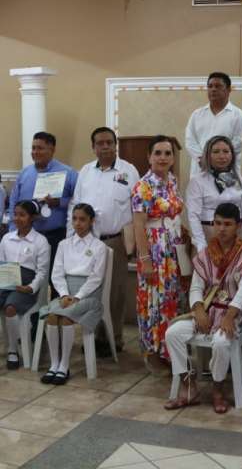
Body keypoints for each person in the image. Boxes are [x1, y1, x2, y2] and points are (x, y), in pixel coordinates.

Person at [163, 203, 242, 412]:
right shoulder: (207, 252)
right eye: (217, 223)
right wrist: (198, 311)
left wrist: (229, 316)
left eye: (227, 224)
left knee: (222, 342)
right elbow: (196, 287)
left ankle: (218, 388)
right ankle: (189, 386)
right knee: (172, 333)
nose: (221, 228)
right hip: (206, 310)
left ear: (239, 226)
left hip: (234, 313)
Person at [70, 127, 139, 354]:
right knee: (91, 290)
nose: (105, 146)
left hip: (115, 240)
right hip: (89, 240)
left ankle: (113, 339)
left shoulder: (129, 171)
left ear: (115, 144)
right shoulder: (86, 172)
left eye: (109, 142)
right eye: (100, 143)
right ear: (94, 147)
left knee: (115, 291)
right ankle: (93, 336)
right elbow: (76, 203)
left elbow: (137, 207)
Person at [132, 136, 186, 368]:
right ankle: (153, 352)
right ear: (149, 157)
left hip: (173, 248)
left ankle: (169, 349)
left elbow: (173, 214)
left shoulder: (172, 181)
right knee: (154, 301)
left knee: (170, 299)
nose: (163, 158)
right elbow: (138, 225)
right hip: (154, 250)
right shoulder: (143, 186)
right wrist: (145, 260)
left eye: (167, 153)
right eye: (158, 153)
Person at [38, 204, 106, 385]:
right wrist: (64, 294)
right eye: (74, 219)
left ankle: (64, 366)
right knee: (53, 317)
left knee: (66, 318)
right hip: (64, 291)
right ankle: (54, 364)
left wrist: (78, 296)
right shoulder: (63, 244)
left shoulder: (99, 247)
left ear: (91, 221)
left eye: (82, 219)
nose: (78, 223)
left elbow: (96, 278)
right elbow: (57, 273)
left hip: (89, 295)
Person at [1, 201, 51, 369]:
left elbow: (42, 273)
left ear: (32, 218)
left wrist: (31, 287)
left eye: (22, 215)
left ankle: (13, 350)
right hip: (6, 281)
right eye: (15, 214)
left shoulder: (40, 241)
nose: (17, 218)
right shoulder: (7, 238)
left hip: (27, 286)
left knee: (10, 307)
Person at [7, 132, 78, 252]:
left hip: (56, 236)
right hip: (26, 235)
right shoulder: (24, 173)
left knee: (52, 270)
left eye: (40, 148)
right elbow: (13, 202)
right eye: (33, 148)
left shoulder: (69, 173)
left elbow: (78, 201)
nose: (35, 152)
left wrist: (59, 202)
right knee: (25, 270)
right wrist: (13, 229)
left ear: (52, 149)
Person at [186, 136, 242, 252]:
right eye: (216, 152)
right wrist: (201, 245)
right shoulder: (197, 181)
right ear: (208, 155)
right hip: (209, 234)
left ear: (232, 155)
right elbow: (193, 216)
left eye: (226, 151)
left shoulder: (237, 178)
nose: (221, 156)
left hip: (236, 234)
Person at [185, 72, 242, 176]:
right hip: (200, 169)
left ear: (229, 90)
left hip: (227, 171)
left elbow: (239, 141)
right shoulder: (197, 114)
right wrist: (202, 158)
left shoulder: (239, 115)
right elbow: (190, 141)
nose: (213, 89)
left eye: (218, 86)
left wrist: (218, 158)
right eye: (210, 86)